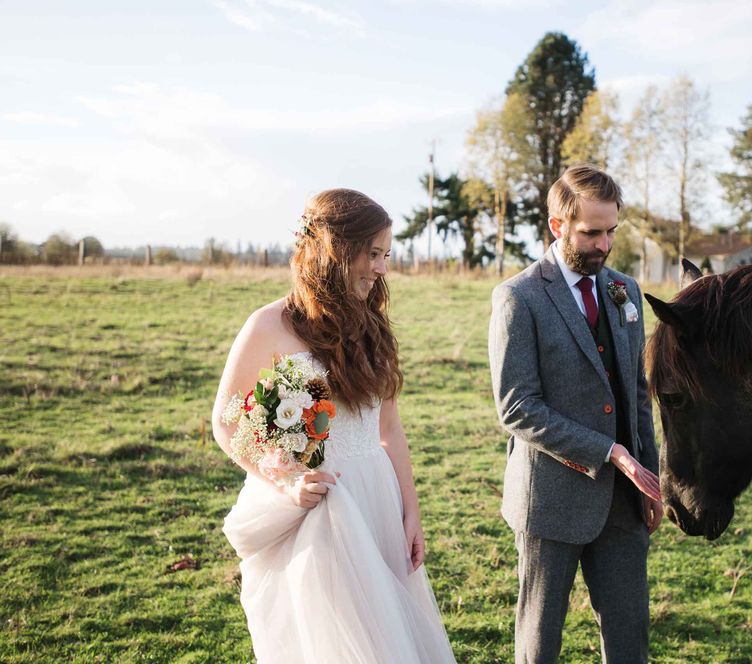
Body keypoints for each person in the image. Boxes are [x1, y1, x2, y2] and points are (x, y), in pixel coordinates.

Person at [213, 189, 455, 663]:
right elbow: (226, 420)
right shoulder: (268, 325)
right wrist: (284, 480)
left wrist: (411, 511)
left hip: (377, 500)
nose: (382, 268)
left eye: (386, 255)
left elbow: (390, 428)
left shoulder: (373, 325)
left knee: (390, 639)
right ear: (335, 251)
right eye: (373, 253)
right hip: (318, 505)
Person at [488, 164, 663, 663]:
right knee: (539, 645)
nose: (604, 245)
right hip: (548, 500)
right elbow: (517, 407)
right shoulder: (518, 298)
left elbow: (637, 391)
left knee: (631, 642)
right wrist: (609, 452)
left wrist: (648, 477)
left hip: (625, 502)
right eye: (591, 233)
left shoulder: (625, 291)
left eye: (611, 231)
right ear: (557, 226)